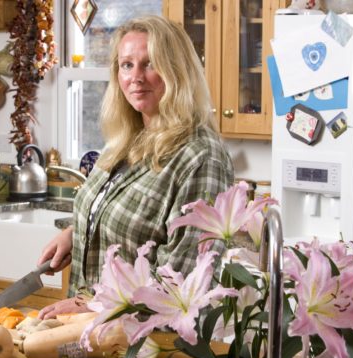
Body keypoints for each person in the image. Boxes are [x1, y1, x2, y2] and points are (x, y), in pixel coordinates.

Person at [38, 15, 234, 319]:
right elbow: (126, 221)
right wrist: (77, 232)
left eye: (150, 63)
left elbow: (182, 279)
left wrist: (93, 306)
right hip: (89, 331)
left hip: (147, 343)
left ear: (177, 72)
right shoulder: (126, 139)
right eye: (126, 65)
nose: (135, 77)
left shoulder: (201, 158)